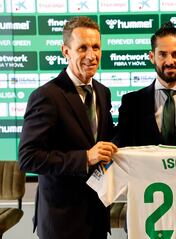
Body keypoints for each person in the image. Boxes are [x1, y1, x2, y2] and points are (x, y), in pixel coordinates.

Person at [18, 16, 117, 239]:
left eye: (96, 47)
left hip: (96, 217)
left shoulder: (102, 92)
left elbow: (105, 137)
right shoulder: (46, 96)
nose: (91, 55)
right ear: (66, 51)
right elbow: (28, 157)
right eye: (82, 48)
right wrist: (85, 158)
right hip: (61, 222)